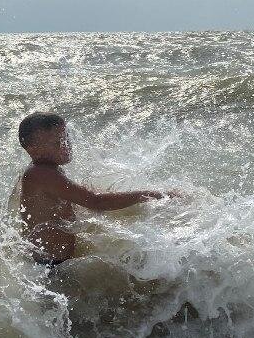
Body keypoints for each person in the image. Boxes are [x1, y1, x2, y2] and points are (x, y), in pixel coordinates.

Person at [15, 112, 176, 266]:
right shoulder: (41, 174)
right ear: (33, 149)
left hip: (53, 261)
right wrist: (151, 195)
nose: (66, 145)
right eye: (57, 142)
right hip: (50, 266)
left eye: (66, 138)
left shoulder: (47, 170)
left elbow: (74, 200)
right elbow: (95, 201)